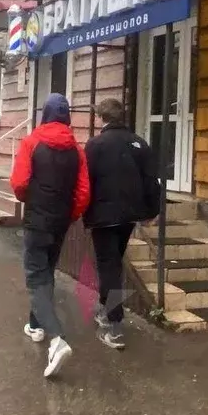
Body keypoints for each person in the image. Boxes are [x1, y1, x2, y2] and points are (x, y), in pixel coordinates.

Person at [10, 93, 90, 378]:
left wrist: (30, 200)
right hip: (60, 223)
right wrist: (71, 215)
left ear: (45, 114)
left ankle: (56, 339)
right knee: (47, 272)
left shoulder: (32, 142)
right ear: (67, 116)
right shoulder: (76, 149)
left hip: (36, 221)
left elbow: (19, 183)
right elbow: (83, 193)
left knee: (35, 276)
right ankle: (36, 325)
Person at [83, 98, 161, 350]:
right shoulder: (139, 143)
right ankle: (106, 310)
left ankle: (114, 328)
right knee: (113, 262)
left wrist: (81, 211)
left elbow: (86, 184)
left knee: (109, 267)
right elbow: (151, 180)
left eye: (96, 116)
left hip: (104, 216)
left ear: (102, 118)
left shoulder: (95, 145)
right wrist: (152, 210)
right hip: (129, 215)